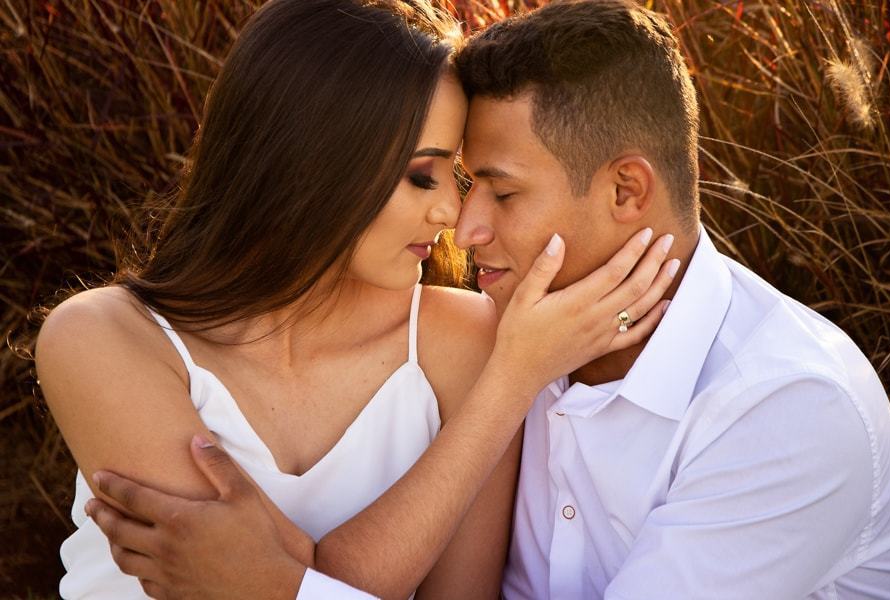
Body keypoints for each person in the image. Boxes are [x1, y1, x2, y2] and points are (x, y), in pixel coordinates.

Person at [84, 0, 890, 598]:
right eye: (455, 181)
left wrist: (279, 589)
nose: (462, 229)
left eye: (499, 194)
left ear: (625, 190)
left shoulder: (789, 408)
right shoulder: (515, 340)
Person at [35, 0, 676, 598]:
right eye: (422, 174)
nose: (452, 212)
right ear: (314, 159)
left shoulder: (469, 342)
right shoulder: (103, 338)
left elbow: (263, 580)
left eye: (455, 176)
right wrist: (506, 388)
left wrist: (509, 380)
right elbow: (251, 582)